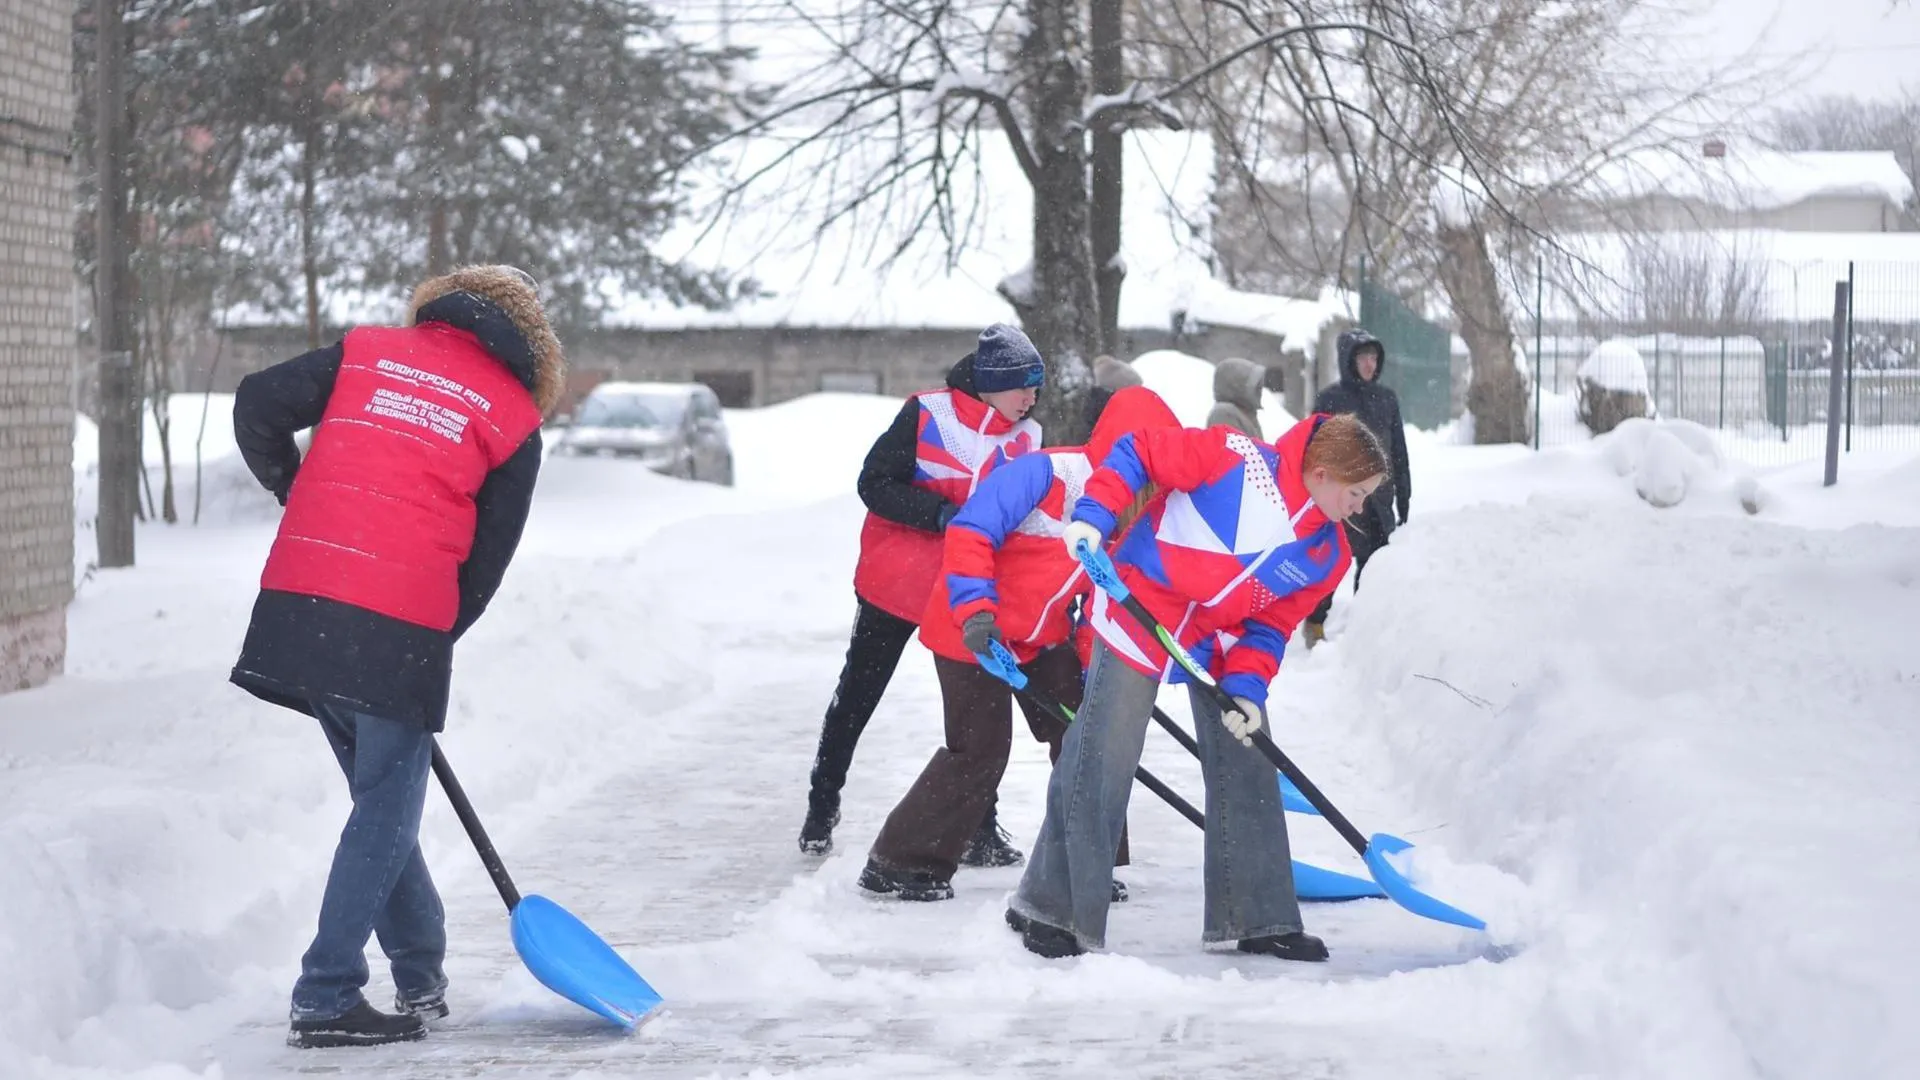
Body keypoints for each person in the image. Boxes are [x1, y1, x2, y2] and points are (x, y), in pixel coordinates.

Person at [229, 265, 563, 1048]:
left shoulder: (370, 353)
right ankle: (325, 994)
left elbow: (255, 403)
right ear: (530, 347)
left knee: (383, 798)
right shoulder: (512, 418)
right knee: (386, 804)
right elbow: (487, 561)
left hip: (303, 595)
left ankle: (419, 972)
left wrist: (294, 486)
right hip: (397, 618)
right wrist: (428, 640)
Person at [1006, 413, 1390, 961]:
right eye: (1356, 494)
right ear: (1323, 473)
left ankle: (1259, 916)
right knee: (1104, 754)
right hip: (1142, 605)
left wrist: (1248, 689)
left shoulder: (1327, 555)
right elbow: (1140, 450)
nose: (1360, 508)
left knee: (1249, 757)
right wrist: (1094, 515)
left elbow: (1271, 626)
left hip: (1216, 642)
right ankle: (1051, 908)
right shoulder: (1234, 459)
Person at [858, 385, 1180, 902]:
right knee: (981, 749)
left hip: (1038, 637)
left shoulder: (1122, 518)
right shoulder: (1047, 475)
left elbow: (1096, 600)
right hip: (970, 628)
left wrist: (1091, 663)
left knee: (1085, 731)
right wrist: (977, 613)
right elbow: (970, 533)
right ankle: (900, 862)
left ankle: (1085, 857)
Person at [799, 324, 1045, 859]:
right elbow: (874, 484)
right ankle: (821, 805)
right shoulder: (927, 414)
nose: (1031, 398)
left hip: (964, 589)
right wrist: (936, 514)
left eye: (1036, 387)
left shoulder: (1029, 437)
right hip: (898, 581)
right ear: (990, 383)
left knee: (974, 711)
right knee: (859, 695)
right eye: (1022, 386)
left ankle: (980, 831)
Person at [1302, 328, 1412, 648]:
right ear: (1349, 359)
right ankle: (1315, 622)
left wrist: (1403, 500)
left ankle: (1364, 631)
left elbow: (1399, 454)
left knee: (1374, 567)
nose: (1369, 364)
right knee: (1332, 565)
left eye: (1374, 358)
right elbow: (1313, 450)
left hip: (1378, 502)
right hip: (1341, 503)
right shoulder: (1330, 400)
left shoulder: (1387, 399)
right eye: (1363, 357)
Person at [1205, 357, 1268, 438]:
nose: (1259, 390)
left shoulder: (1245, 412)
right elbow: (1232, 449)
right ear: (1236, 385)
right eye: (1254, 386)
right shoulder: (1224, 414)